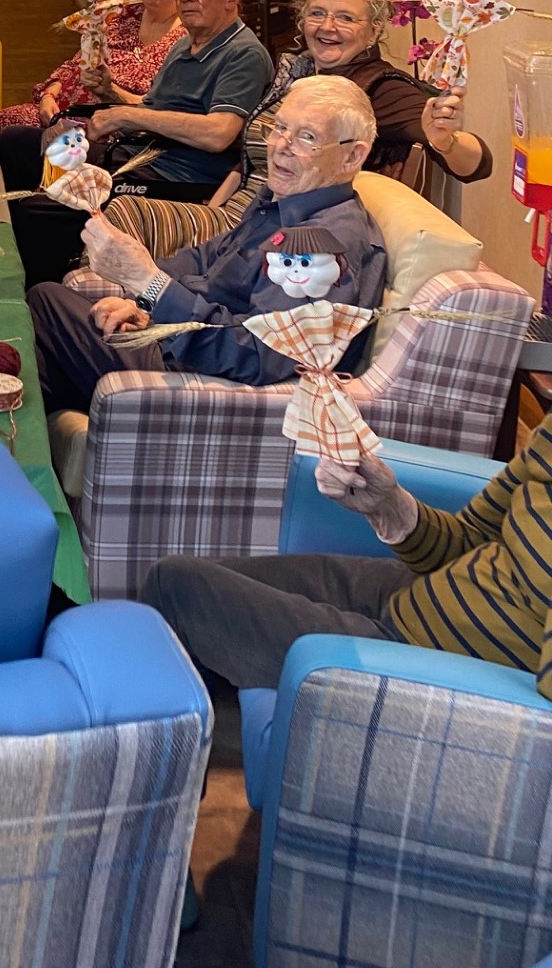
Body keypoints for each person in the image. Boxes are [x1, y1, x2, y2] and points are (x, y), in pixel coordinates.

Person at [29, 75, 387, 414]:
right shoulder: (284, 202)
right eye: (279, 128)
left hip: (202, 378)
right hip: (179, 339)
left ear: (353, 156)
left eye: (307, 137)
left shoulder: (322, 244)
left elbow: (258, 355)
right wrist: (143, 301)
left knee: (46, 300)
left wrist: (150, 285)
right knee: (40, 370)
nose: (280, 147)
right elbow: (206, 258)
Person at [142, 414, 552, 698]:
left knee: (177, 588)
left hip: (433, 657)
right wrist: (390, 507)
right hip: (410, 588)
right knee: (179, 582)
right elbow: (474, 536)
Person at [8, 0, 273, 286]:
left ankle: (35, 296)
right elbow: (151, 108)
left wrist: (125, 117)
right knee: (17, 142)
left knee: (34, 211)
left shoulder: (243, 54)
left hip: (171, 179)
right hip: (130, 153)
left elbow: (219, 133)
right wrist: (110, 94)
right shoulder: (185, 46)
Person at [207, 0, 492, 217]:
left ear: (374, 30)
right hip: (236, 221)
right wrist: (213, 209)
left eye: (345, 18)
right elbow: (249, 160)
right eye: (317, 13)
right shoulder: (298, 70)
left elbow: (478, 166)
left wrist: (446, 141)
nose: (327, 26)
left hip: (287, 245)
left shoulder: (380, 90)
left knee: (159, 225)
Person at [0, 0, 190, 178]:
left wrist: (111, 91)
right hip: (65, 109)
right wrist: (48, 94)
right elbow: (76, 63)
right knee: (9, 118)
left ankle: (41, 203)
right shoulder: (120, 15)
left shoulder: (187, 38)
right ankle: (17, 204)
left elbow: (159, 109)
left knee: (19, 136)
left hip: (110, 128)